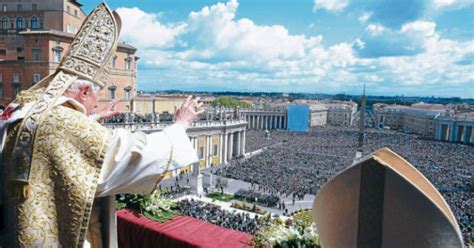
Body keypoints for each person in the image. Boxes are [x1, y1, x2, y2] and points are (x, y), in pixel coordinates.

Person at [0, 3, 203, 248]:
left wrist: (90, 119)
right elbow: (134, 154)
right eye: (95, 97)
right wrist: (179, 126)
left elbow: (47, 137)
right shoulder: (70, 126)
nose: (96, 104)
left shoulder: (21, 112)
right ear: (85, 91)